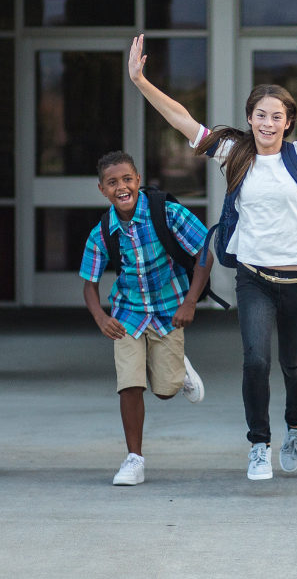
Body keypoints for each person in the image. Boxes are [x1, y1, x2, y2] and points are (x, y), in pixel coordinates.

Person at [128, 34, 297, 481]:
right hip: (255, 279)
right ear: (249, 118)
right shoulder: (234, 153)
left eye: (277, 116)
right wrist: (139, 80)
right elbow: (182, 120)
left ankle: (294, 426)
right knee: (255, 360)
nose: (268, 123)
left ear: (289, 122)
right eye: (261, 115)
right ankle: (258, 444)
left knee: (294, 365)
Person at [80, 151, 212, 486]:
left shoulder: (165, 213)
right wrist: (100, 316)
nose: (121, 187)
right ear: (102, 190)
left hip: (169, 307)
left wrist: (191, 302)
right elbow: (89, 285)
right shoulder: (102, 232)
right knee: (130, 385)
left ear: (138, 180)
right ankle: (134, 459)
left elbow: (204, 253)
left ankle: (179, 369)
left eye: (127, 179)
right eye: (112, 183)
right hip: (128, 312)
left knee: (165, 390)